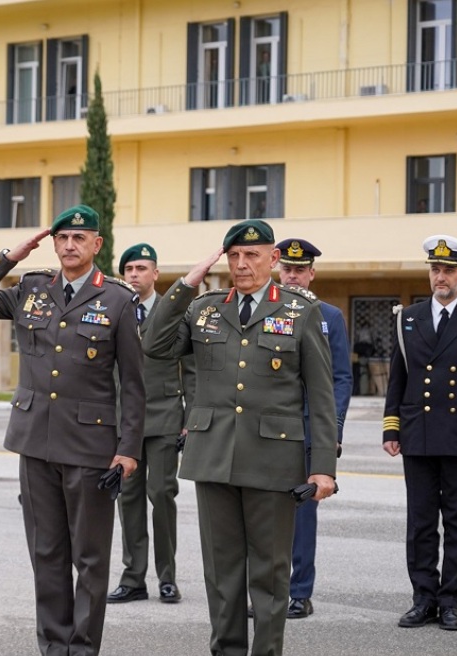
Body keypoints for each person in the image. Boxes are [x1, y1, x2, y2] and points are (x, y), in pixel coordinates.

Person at [142, 219, 338, 656]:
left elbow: (321, 395)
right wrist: (186, 284)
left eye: (252, 255)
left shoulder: (301, 310)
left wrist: (323, 465)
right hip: (213, 457)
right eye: (234, 256)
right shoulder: (204, 307)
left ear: (273, 258)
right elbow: (153, 344)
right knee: (222, 573)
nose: (242, 264)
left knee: (270, 577)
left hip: (273, 459)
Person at [0, 204, 146, 656]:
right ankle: (54, 646)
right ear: (53, 243)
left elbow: (133, 384)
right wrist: (8, 258)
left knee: (90, 559)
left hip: (91, 447)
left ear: (97, 244)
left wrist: (128, 449)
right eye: (62, 238)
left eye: (79, 238)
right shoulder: (31, 288)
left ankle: (83, 648)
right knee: (46, 554)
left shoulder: (117, 299)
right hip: (34, 442)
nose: (69, 245)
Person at [382, 234, 457, 632]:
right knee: (420, 522)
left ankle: (450, 601)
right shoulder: (408, 317)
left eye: (448, 270)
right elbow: (396, 377)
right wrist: (391, 425)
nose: (441, 276)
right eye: (435, 269)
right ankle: (423, 598)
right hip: (418, 433)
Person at [108, 243, 194, 606]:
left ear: (155, 274)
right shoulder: (114, 310)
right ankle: (133, 578)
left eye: (141, 268)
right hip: (123, 422)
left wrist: (190, 418)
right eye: (128, 269)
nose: (134, 275)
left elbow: (191, 369)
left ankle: (167, 578)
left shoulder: (173, 312)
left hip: (163, 418)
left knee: (162, 496)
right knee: (128, 501)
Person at [274, 238, 353, 619]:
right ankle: (267, 590)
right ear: (278, 270)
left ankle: (299, 592)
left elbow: (341, 378)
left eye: (299, 269)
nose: (293, 275)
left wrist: (331, 430)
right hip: (267, 430)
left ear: (311, 273)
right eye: (287, 268)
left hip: (306, 431)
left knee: (302, 516)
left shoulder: (328, 316)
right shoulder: (263, 311)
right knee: (263, 516)